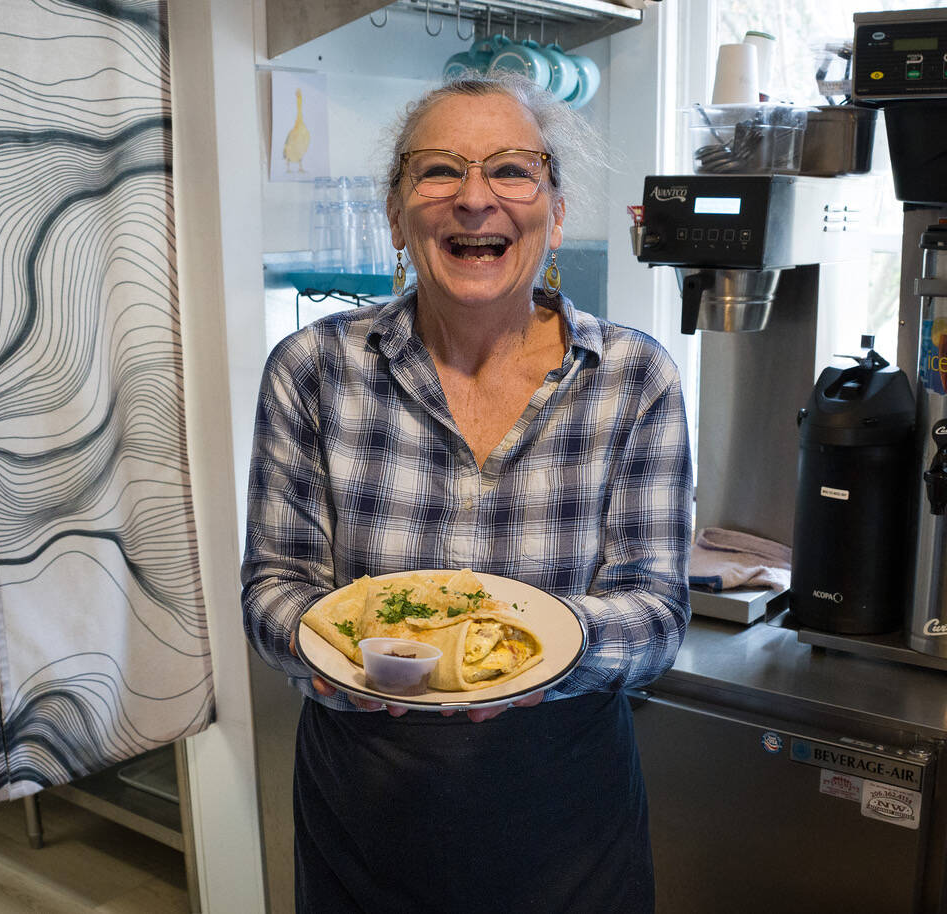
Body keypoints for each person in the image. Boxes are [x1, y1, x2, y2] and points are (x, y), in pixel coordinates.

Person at [241, 75, 693, 913]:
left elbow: (658, 614)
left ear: (555, 212)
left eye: (512, 170)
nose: (475, 199)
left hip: (570, 827)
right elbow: (272, 588)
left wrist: (526, 659)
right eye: (439, 170)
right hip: (365, 819)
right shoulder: (313, 370)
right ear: (396, 213)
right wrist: (349, 657)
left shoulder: (634, 379)